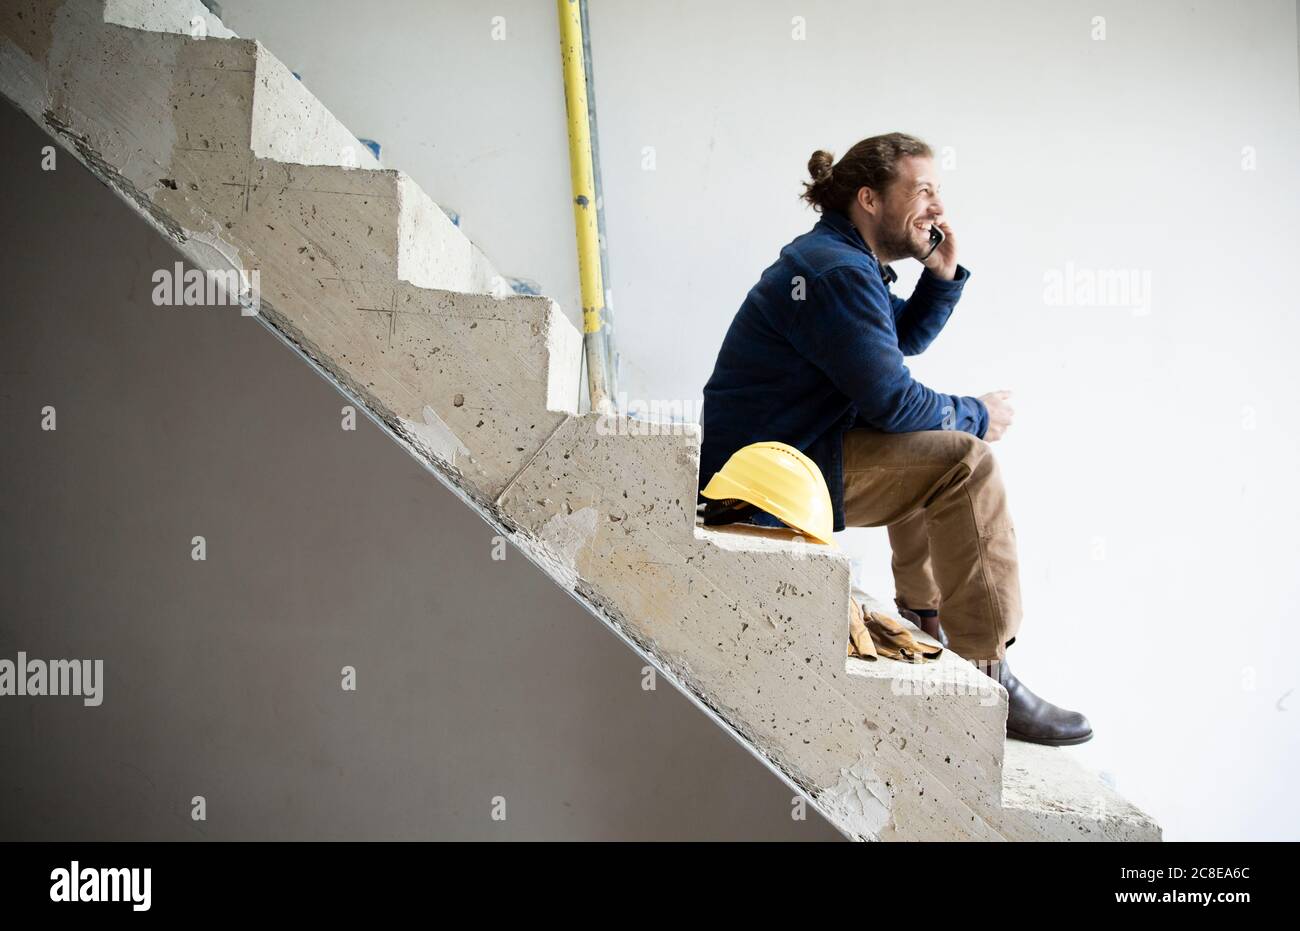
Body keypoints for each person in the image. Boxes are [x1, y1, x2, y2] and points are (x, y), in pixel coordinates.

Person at [698, 133, 1091, 745]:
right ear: (870, 199)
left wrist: (940, 278)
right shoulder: (835, 272)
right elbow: (894, 399)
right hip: (768, 481)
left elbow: (889, 346)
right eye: (924, 190)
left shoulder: (840, 260)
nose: (937, 206)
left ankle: (926, 624)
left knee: (930, 444)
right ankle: (987, 672)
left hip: (782, 460)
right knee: (965, 460)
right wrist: (978, 415)